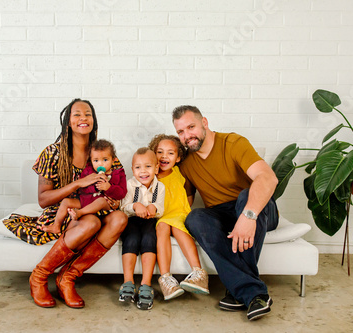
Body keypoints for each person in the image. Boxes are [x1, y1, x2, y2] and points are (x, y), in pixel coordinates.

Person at [4, 98, 128, 309]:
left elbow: (117, 186)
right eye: (77, 114)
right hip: (64, 209)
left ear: (94, 120)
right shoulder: (52, 153)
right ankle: (39, 276)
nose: (83, 118)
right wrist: (78, 183)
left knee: (120, 218)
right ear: (67, 122)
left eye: (88, 114)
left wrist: (112, 197)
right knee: (91, 223)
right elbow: (43, 200)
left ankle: (67, 278)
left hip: (97, 206)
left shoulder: (101, 152)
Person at [171, 105, 279, 321]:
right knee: (195, 218)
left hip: (257, 207)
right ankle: (249, 293)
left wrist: (248, 216)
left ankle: (245, 291)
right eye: (180, 132)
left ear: (205, 123)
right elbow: (186, 204)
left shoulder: (233, 143)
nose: (187, 136)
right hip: (221, 213)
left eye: (191, 127)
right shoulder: (187, 162)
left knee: (244, 196)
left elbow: (268, 178)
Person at [148, 134, 209, 301]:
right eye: (159, 152)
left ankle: (198, 272)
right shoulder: (149, 175)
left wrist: (185, 210)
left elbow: (189, 195)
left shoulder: (179, 172)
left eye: (170, 153)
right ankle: (166, 278)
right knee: (162, 227)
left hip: (179, 213)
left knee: (177, 228)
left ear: (178, 157)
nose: (164, 157)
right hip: (161, 215)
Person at [40, 139, 127, 235]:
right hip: (86, 201)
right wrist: (94, 187)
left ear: (113, 159)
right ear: (91, 160)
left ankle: (80, 213)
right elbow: (82, 189)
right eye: (96, 160)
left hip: (104, 204)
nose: (100, 164)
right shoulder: (88, 171)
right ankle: (56, 226)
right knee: (66, 202)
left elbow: (122, 193)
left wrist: (109, 188)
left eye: (105, 160)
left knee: (101, 201)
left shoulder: (119, 173)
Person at [118, 147, 165, 310]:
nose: (143, 171)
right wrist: (135, 206)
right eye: (138, 167)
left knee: (149, 239)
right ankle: (128, 281)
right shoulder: (129, 185)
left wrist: (154, 208)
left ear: (157, 168)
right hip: (131, 221)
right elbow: (123, 206)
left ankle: (146, 283)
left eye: (148, 166)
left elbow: (161, 207)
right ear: (132, 169)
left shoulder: (161, 187)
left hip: (149, 222)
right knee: (131, 239)